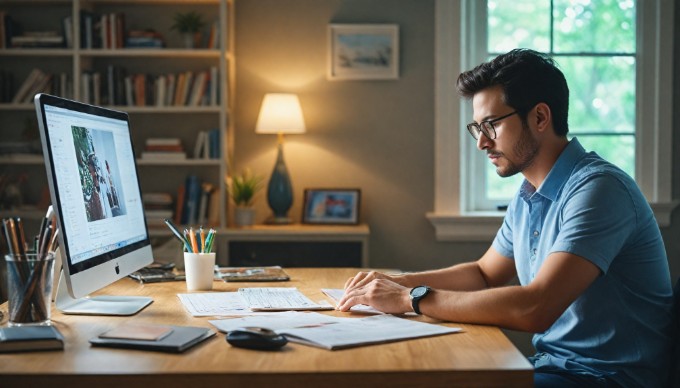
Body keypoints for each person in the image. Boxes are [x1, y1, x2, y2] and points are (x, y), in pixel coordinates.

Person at [337, 48, 674, 387]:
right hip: (551, 367)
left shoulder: (600, 190)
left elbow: (536, 307)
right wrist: (399, 282)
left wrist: (410, 299)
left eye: (491, 125)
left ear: (540, 117)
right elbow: (485, 274)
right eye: (477, 127)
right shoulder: (528, 192)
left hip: (608, 378)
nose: (481, 142)